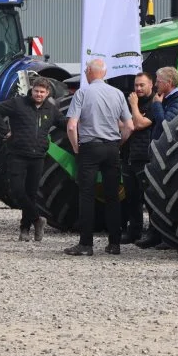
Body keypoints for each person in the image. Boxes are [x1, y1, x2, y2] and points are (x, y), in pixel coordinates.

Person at [64, 58, 133, 256]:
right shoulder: (118, 93)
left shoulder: (82, 93)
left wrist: (77, 148)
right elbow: (129, 126)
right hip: (111, 148)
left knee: (86, 195)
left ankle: (86, 244)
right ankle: (114, 244)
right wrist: (118, 143)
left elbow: (71, 125)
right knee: (112, 197)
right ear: (104, 72)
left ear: (88, 72)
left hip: (89, 147)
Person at [0, 77, 65, 241]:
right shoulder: (18, 104)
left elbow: (64, 123)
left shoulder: (50, 109)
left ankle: (25, 230)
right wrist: (4, 132)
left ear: (47, 93)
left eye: (42, 92)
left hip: (38, 157)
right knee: (16, 190)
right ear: (32, 90)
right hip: (17, 155)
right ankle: (37, 219)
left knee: (31, 194)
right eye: (36, 91)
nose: (39, 94)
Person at [136, 66, 178, 249]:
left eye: (158, 82)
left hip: (171, 158)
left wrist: (157, 106)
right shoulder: (167, 99)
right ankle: (155, 233)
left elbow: (166, 126)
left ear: (168, 83)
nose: (156, 86)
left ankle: (164, 236)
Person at [124, 72, 162, 246]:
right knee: (132, 198)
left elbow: (138, 124)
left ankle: (154, 234)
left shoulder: (155, 103)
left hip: (146, 157)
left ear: (151, 85)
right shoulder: (135, 102)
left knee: (149, 198)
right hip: (131, 155)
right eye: (136, 85)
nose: (138, 89)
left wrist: (133, 106)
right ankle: (134, 231)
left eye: (141, 85)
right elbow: (124, 124)